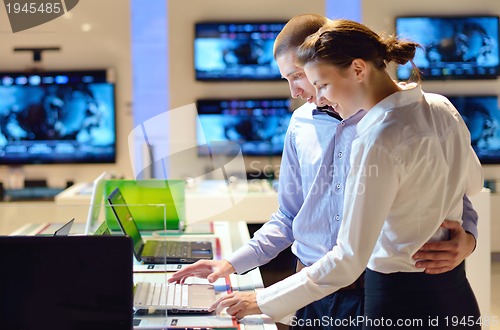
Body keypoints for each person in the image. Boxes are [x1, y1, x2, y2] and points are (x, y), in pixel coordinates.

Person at [170, 15, 481, 328]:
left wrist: (468, 237)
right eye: (287, 79)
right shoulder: (303, 124)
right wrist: (231, 263)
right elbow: (290, 216)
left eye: (303, 77)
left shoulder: (382, 129)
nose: (297, 91)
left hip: (373, 290)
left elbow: (454, 195)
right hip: (311, 292)